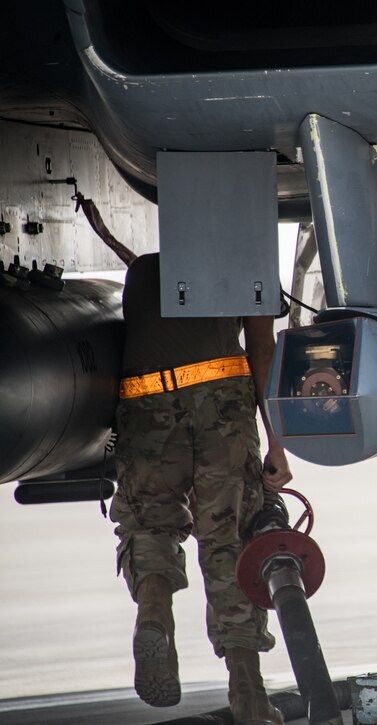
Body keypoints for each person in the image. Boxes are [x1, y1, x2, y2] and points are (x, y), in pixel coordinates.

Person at [108, 252, 292, 725]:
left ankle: (153, 613)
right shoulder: (243, 258)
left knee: (149, 522)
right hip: (220, 401)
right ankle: (247, 690)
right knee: (228, 535)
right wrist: (277, 443)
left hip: (144, 400)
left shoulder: (145, 269)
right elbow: (262, 351)